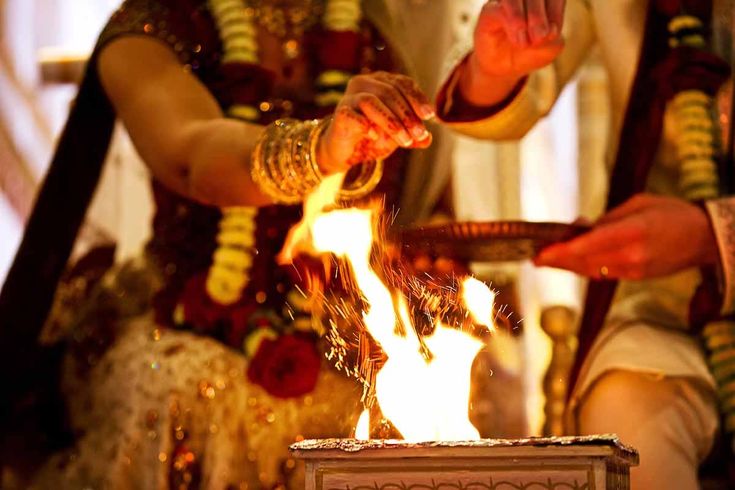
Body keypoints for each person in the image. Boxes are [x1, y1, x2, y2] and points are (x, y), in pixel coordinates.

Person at [0, 0, 467, 488]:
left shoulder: (376, 33)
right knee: (185, 391)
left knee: (433, 388)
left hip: (340, 328)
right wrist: (320, 149)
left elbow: (418, 203)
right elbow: (193, 152)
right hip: (188, 318)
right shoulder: (152, 28)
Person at [436, 0, 735, 488]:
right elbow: (528, 67)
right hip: (663, 313)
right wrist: (495, 65)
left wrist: (713, 234)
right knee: (628, 427)